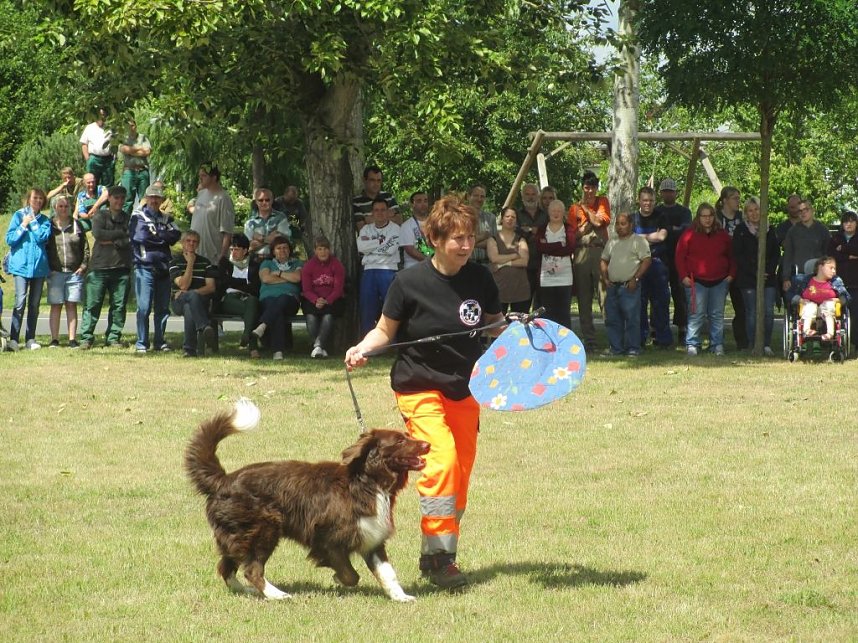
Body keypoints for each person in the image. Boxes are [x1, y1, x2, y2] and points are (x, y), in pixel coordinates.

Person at [344, 195, 504, 590]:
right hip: (418, 386)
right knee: (443, 461)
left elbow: (496, 325)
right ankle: (439, 559)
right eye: (456, 238)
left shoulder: (480, 278)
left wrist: (523, 334)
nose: (465, 246)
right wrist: (363, 348)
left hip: (466, 389)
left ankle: (439, 550)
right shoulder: (408, 282)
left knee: (460, 474)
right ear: (434, 238)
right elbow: (385, 330)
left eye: (469, 238)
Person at [675, 202, 736, 356]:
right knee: (696, 314)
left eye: (710, 216)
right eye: (704, 216)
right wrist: (683, 276)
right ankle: (693, 344)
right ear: (699, 217)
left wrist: (731, 275)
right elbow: (679, 256)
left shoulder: (722, 235)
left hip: (719, 281)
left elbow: (733, 256)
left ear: (714, 217)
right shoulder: (689, 234)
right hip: (696, 281)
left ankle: (717, 345)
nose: (707, 219)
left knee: (716, 315)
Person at [78, 185, 133, 349]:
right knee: (92, 305)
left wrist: (113, 240)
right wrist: (120, 236)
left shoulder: (128, 217)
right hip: (99, 267)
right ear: (109, 198)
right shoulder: (100, 216)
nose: (119, 201)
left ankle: (113, 337)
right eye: (116, 198)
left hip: (121, 267)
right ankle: (86, 338)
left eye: (122, 198)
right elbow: (99, 234)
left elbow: (131, 238)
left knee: (119, 306)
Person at [130, 184, 182, 353]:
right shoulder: (137, 216)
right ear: (146, 198)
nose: (154, 200)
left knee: (162, 308)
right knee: (144, 307)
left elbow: (176, 235)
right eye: (151, 197)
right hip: (144, 267)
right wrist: (162, 236)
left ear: (161, 200)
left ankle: (160, 341)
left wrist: (157, 234)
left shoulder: (167, 218)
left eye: (157, 197)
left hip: (163, 267)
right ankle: (142, 342)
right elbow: (141, 237)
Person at [568, 171, 611, 350]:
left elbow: (600, 223)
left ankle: (612, 338)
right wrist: (587, 226)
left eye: (593, 187)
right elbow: (572, 236)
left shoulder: (603, 202)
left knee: (605, 298)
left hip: (599, 252)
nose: (590, 191)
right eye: (587, 187)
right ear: (582, 187)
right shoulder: (572, 208)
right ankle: (590, 340)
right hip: (581, 254)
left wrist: (586, 211)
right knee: (584, 299)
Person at [732, 196, 780, 356]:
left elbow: (775, 254)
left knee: (768, 310)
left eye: (756, 209)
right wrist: (756, 272)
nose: (753, 213)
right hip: (748, 278)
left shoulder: (770, 230)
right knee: (751, 312)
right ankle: (754, 344)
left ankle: (766, 343)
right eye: (750, 210)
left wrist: (768, 271)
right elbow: (738, 256)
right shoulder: (741, 231)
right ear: (746, 213)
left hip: (768, 278)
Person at [5, 188, 52, 351]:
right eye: (35, 198)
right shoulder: (18, 216)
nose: (37, 201)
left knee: (34, 304)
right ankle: (14, 339)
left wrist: (32, 221)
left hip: (39, 268)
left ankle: (30, 338)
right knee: (20, 302)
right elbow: (10, 239)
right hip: (20, 267)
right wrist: (23, 225)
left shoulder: (45, 220)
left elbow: (42, 237)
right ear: (29, 199)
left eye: (40, 198)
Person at [600, 212, 651, 357]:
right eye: (617, 224)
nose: (619, 227)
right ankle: (616, 348)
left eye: (623, 224)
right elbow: (604, 259)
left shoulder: (639, 241)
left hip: (629, 286)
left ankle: (633, 348)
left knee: (632, 318)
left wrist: (635, 279)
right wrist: (605, 278)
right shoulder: (612, 241)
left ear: (631, 225)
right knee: (613, 318)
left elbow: (647, 260)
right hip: (612, 286)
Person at [46, 195, 89, 348]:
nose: (64, 209)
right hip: (55, 272)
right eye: (60, 206)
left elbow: (85, 248)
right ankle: (55, 339)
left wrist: (83, 267)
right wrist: (47, 268)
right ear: (54, 208)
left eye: (66, 206)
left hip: (74, 272)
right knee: (56, 305)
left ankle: (72, 339)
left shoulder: (77, 225)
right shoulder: (48, 226)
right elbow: (43, 248)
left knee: (71, 305)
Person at [632, 186, 673, 347]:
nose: (647, 203)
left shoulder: (661, 217)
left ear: (655, 201)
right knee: (639, 304)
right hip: (638, 265)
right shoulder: (633, 218)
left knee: (661, 303)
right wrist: (651, 237)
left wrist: (639, 237)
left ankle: (663, 339)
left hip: (658, 264)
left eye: (650, 200)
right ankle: (640, 338)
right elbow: (629, 239)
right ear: (639, 201)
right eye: (644, 200)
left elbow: (662, 236)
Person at [653, 178, 692, 344]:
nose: (668, 194)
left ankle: (683, 327)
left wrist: (666, 231)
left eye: (671, 191)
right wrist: (671, 231)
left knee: (679, 293)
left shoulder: (683, 211)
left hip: (679, 256)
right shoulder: (656, 211)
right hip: (660, 256)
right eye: (665, 191)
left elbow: (686, 230)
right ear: (661, 193)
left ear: (676, 193)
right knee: (658, 295)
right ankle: (656, 327)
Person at [252, 236, 303, 360]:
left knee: (283, 298)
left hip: (290, 301)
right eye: (278, 248)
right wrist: (287, 279)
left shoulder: (297, 263)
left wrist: (279, 273)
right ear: (273, 251)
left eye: (285, 247)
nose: (282, 250)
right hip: (268, 299)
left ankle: (263, 325)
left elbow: (297, 278)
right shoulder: (267, 263)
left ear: (289, 250)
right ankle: (278, 352)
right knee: (277, 311)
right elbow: (265, 278)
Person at [169, 230, 218, 357]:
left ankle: (189, 350)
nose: (191, 244)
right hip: (178, 301)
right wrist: (190, 262)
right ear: (182, 243)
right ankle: (204, 326)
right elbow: (183, 285)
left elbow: (211, 287)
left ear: (198, 245)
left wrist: (193, 292)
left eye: (194, 242)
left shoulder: (205, 262)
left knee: (190, 305)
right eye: (188, 241)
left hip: (200, 301)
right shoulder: (174, 262)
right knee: (188, 302)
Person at [356, 197, 401, 335]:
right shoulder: (366, 229)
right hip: (369, 271)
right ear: (372, 213)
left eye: (383, 210)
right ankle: (367, 342)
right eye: (376, 210)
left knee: (391, 307)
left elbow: (390, 250)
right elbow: (361, 247)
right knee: (367, 307)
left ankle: (393, 341)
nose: (380, 213)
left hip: (388, 270)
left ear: (388, 212)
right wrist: (381, 242)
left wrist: (371, 244)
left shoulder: (396, 229)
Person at [216, 233, 261, 358]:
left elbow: (255, 287)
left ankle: (247, 335)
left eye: (237, 249)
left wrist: (233, 282)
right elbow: (223, 283)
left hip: (248, 299)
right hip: (229, 299)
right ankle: (252, 347)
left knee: (252, 302)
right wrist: (244, 283)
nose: (233, 252)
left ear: (245, 250)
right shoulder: (225, 263)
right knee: (252, 311)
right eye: (232, 249)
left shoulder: (253, 265)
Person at [301, 236, 346, 358]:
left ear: (329, 250)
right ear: (315, 251)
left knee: (328, 315)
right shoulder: (308, 266)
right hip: (313, 299)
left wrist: (327, 300)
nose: (323, 252)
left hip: (333, 299)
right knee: (310, 316)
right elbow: (306, 289)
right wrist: (316, 300)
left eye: (325, 249)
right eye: (320, 249)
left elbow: (338, 289)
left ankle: (317, 346)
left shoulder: (336, 265)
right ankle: (321, 348)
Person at [715, 186, 748, 351]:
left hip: (738, 266)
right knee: (716, 308)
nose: (738, 201)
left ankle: (742, 343)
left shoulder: (742, 218)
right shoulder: (715, 218)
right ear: (725, 200)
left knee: (741, 307)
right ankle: (717, 343)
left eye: (738, 198)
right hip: (719, 265)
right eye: (734, 198)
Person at [536, 199, 576, 329]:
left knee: (564, 313)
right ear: (548, 212)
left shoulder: (568, 229)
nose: (556, 213)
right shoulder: (542, 229)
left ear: (563, 212)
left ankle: (565, 343)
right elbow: (540, 248)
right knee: (548, 313)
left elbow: (570, 248)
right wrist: (559, 245)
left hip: (565, 277)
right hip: (546, 278)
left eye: (559, 210)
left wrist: (548, 247)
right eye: (553, 210)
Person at [781, 199, 831, 294]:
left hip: (819, 276)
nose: (803, 213)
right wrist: (786, 278)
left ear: (812, 210)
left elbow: (828, 254)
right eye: (800, 211)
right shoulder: (792, 231)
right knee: (798, 305)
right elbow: (788, 255)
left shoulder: (822, 230)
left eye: (806, 209)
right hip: (799, 276)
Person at [487, 206, 530, 314]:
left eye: (513, 217)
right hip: (499, 289)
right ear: (502, 219)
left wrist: (504, 264)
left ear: (516, 221)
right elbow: (494, 258)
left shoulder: (521, 239)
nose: (510, 219)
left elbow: (524, 261)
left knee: (520, 325)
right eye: (507, 216)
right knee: (498, 325)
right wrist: (515, 255)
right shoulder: (493, 239)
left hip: (519, 289)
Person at [190, 162, 235, 265]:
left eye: (204, 176)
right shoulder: (201, 194)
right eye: (199, 176)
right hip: (195, 254)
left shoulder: (223, 198)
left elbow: (227, 232)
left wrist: (222, 257)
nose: (200, 179)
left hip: (212, 258)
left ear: (214, 177)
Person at [828, 210, 858, 351]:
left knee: (855, 313)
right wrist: (849, 257)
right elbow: (831, 255)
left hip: (855, 283)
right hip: (838, 283)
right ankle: (836, 342)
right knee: (837, 313)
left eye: (852, 221)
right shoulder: (835, 238)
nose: (849, 224)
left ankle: (855, 343)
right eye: (846, 221)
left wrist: (844, 249)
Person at [516, 182, 547, 309]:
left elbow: (548, 234)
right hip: (523, 268)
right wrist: (536, 232)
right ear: (522, 196)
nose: (530, 197)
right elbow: (517, 235)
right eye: (527, 194)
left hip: (543, 265)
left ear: (538, 196)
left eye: (533, 194)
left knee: (541, 307)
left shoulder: (546, 214)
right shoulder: (516, 214)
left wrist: (529, 231)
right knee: (522, 305)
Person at [797, 257, 844, 341]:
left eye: (834, 268)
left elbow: (845, 296)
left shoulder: (836, 281)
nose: (834, 271)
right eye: (831, 268)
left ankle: (830, 333)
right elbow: (792, 294)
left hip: (828, 309)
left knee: (828, 305)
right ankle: (806, 330)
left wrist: (838, 300)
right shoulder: (806, 280)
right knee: (809, 306)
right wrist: (800, 300)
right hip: (809, 308)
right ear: (821, 267)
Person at [244, 187, 289, 261]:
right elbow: (249, 247)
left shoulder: (281, 218)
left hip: (277, 259)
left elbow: (283, 242)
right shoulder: (250, 222)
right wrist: (268, 239)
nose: (264, 202)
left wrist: (260, 239)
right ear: (256, 202)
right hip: (255, 259)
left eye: (267, 200)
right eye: (260, 200)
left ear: (272, 201)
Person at [352, 165, 401, 231]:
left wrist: (371, 219)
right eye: (372, 180)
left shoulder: (388, 197)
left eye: (378, 180)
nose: (376, 184)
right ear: (364, 180)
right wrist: (387, 215)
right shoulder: (357, 202)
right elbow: (362, 229)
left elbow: (399, 221)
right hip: (371, 240)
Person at [119, 118, 151, 213]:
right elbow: (124, 150)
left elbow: (147, 152)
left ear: (136, 126)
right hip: (129, 171)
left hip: (143, 171)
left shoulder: (143, 137)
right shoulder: (123, 138)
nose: (131, 128)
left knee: (145, 199)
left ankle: (145, 222)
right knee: (127, 200)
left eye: (132, 125)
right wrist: (140, 149)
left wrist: (131, 151)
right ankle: (125, 225)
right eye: (128, 126)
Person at [79, 107, 115, 187]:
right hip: (94, 159)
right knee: (92, 183)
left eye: (103, 115)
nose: (101, 117)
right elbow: (84, 144)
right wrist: (88, 159)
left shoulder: (110, 128)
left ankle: (107, 199)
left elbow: (115, 143)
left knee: (108, 184)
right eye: (99, 115)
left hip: (107, 160)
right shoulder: (89, 128)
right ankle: (93, 199)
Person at [467, 184, 497, 266]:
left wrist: (470, 243)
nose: (479, 199)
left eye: (482, 196)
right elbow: (460, 242)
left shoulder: (491, 218)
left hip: (486, 265)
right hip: (465, 263)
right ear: (469, 197)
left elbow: (494, 244)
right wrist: (483, 237)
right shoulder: (461, 217)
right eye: (476, 196)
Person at [400, 191, 431, 269]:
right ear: (412, 204)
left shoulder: (435, 223)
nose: (423, 204)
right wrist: (431, 261)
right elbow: (410, 250)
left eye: (425, 201)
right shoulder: (406, 225)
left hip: (433, 269)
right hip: (413, 268)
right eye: (419, 201)